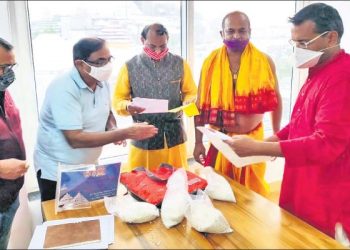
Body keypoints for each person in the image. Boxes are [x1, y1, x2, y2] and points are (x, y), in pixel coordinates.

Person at [225, 3, 350, 238]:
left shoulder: (343, 77)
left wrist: (261, 147)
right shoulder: (319, 69)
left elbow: (325, 144)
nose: (298, 50)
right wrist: (272, 139)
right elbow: (301, 120)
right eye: (295, 43)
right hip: (301, 183)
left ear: (331, 37)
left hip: (325, 194)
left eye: (304, 43)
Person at [34, 37, 158, 201]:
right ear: (80, 64)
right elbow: (75, 139)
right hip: (57, 171)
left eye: (109, 59)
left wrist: (113, 128)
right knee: (62, 224)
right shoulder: (63, 88)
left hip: (88, 167)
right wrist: (125, 133)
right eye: (100, 61)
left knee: (91, 218)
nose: (107, 66)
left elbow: (107, 113)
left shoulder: (101, 82)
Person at [193, 11, 282, 197]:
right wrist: (198, 142)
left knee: (253, 197)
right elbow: (199, 104)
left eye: (242, 31)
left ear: (250, 31)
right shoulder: (210, 62)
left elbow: (276, 100)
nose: (236, 35)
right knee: (220, 193)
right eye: (230, 31)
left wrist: (276, 135)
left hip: (253, 141)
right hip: (220, 140)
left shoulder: (265, 61)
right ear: (221, 33)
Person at [113, 23, 197, 171]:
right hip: (143, 136)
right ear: (142, 40)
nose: (158, 51)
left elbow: (190, 91)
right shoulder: (129, 66)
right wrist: (127, 106)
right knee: (142, 184)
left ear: (168, 40)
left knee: (177, 181)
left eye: (162, 46)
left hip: (174, 135)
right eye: (152, 47)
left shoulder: (180, 63)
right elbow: (118, 100)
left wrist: (190, 100)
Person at [0, 37, 28, 249]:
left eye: (11, 66)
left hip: (8, 196)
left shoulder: (3, 92)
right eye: (3, 67)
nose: (9, 73)